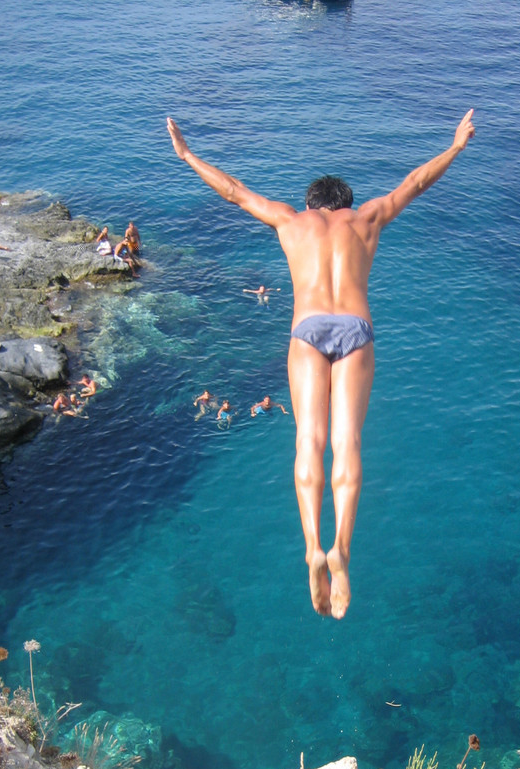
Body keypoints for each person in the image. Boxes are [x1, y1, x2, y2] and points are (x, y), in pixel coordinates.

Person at [167, 110, 475, 618]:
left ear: (312, 204)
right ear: (346, 205)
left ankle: (312, 545)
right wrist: (457, 145)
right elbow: (416, 182)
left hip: (306, 331)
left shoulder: (291, 221)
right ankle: (342, 551)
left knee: (307, 441)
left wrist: (186, 155)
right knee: (346, 442)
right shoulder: (367, 218)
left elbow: (234, 191)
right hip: (355, 328)